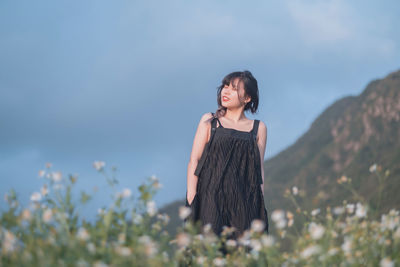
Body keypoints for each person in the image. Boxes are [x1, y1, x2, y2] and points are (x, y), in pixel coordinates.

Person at [184, 70, 269, 243]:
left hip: (244, 204)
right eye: (224, 86)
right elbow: (194, 160)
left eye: (234, 88)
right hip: (210, 200)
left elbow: (258, 168)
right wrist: (192, 198)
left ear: (247, 98)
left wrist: (259, 204)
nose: (225, 91)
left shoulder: (258, 128)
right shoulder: (210, 121)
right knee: (208, 252)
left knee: (242, 254)